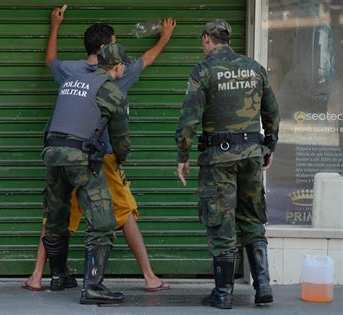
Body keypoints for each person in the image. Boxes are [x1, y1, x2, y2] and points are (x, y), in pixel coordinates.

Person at [23, 6, 176, 292]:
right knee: (119, 213)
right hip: (98, 156)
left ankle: (37, 276)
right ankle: (145, 277)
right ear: (109, 51)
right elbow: (147, 59)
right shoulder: (118, 76)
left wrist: (55, 25)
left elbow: (50, 60)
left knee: (55, 215)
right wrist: (164, 37)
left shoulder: (70, 72)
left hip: (59, 153)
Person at [175, 20, 280, 309]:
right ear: (228, 39)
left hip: (219, 159)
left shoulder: (204, 70)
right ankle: (263, 287)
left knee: (222, 222)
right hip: (251, 156)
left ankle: (223, 294)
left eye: (202, 40)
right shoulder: (255, 67)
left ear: (208, 38)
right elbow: (272, 111)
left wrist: (182, 156)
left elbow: (189, 118)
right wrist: (268, 147)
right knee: (251, 219)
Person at [42, 43, 131, 304]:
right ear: (117, 66)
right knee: (102, 220)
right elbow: (120, 139)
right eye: (124, 64)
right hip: (80, 157)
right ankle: (93, 286)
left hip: (53, 152)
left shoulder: (71, 81)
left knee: (56, 217)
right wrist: (120, 160)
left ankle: (59, 276)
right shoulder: (112, 91)